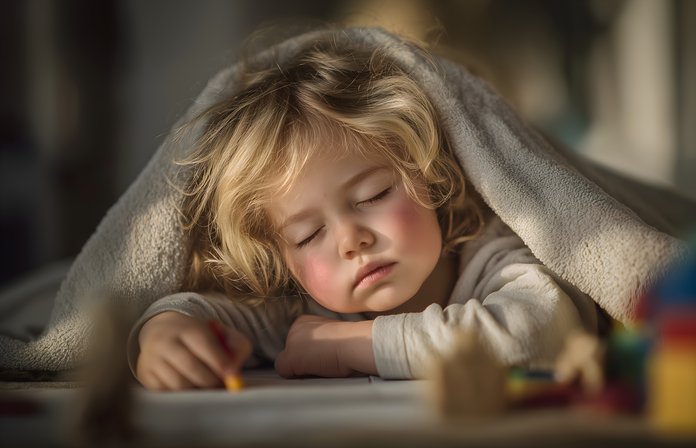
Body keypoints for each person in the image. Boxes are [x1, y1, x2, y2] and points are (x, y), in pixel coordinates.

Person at [130, 30, 600, 391]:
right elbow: (203, 314)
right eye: (307, 235)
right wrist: (163, 331)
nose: (350, 240)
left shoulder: (491, 255)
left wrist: (354, 346)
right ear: (282, 259)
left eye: (373, 196)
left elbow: (542, 333)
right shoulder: (301, 312)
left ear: (430, 173)